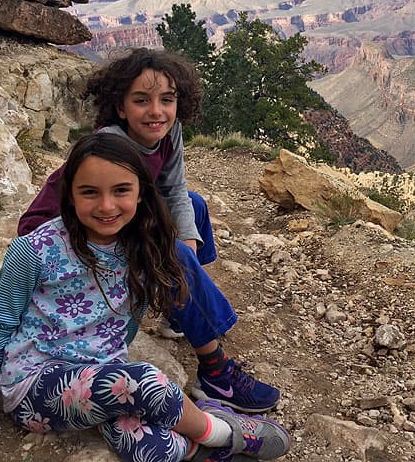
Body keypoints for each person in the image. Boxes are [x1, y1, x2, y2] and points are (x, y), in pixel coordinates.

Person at [0, 133, 291, 462]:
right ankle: (224, 434)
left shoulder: (144, 246)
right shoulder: (34, 250)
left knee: (141, 446)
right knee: (143, 381)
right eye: (90, 192)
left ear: (141, 193)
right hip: (36, 385)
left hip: (104, 375)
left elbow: (127, 321)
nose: (106, 206)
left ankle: (195, 444)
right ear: (70, 195)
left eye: (121, 190)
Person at [17, 48, 280, 414]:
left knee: (195, 207)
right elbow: (100, 213)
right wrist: (178, 252)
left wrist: (188, 238)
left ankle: (181, 308)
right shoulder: (115, 147)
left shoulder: (168, 134)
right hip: (73, 237)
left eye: (167, 100)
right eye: (142, 100)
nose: (156, 111)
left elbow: (173, 189)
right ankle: (215, 372)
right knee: (170, 254)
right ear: (121, 107)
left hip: (116, 218)